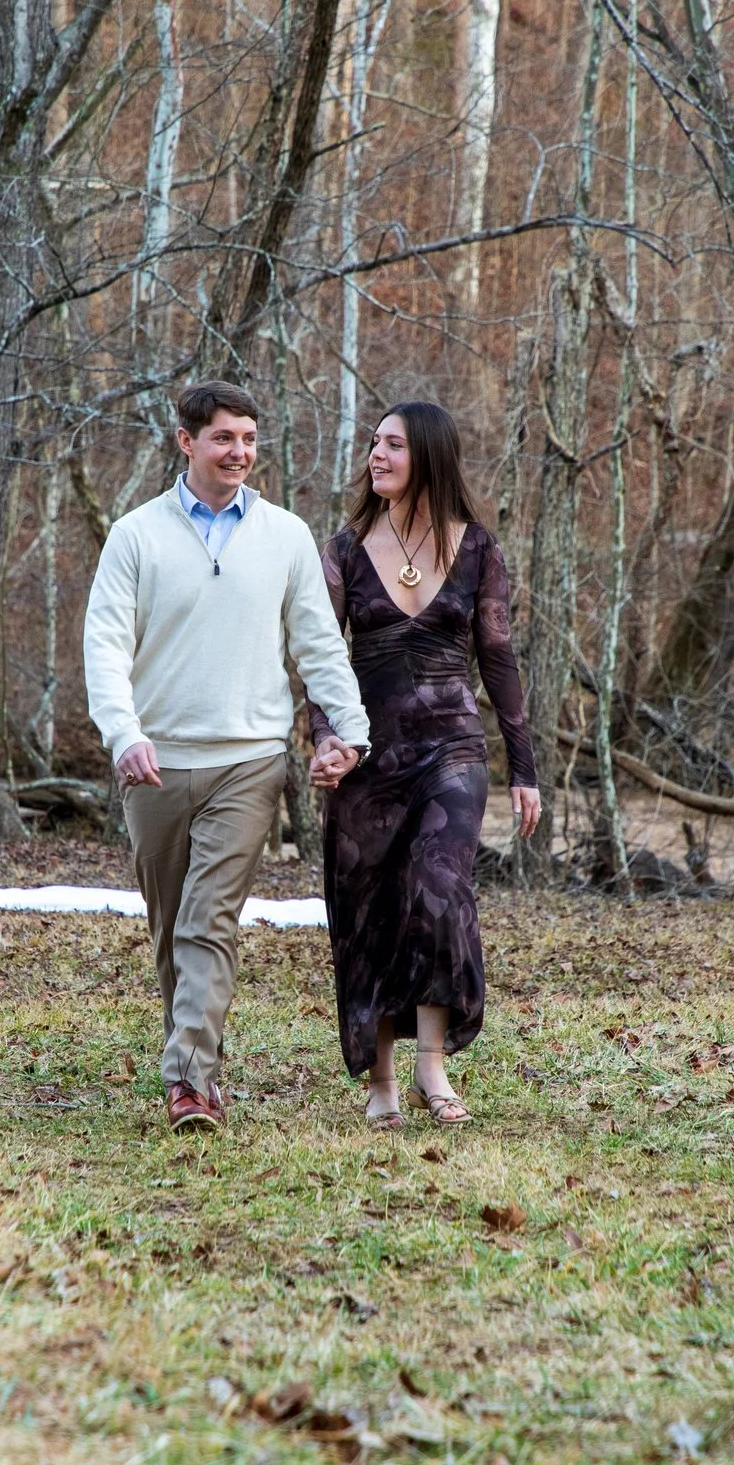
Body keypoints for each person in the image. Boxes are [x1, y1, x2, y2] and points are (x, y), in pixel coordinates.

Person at [84, 381, 373, 1133]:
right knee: (171, 924)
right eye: (223, 438)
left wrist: (350, 729)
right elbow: (106, 648)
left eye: (248, 438)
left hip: (250, 759)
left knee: (209, 920)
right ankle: (194, 1058)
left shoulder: (284, 536)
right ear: (185, 441)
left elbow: (318, 644)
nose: (239, 452)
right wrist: (124, 734)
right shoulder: (135, 536)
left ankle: (190, 1082)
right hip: (154, 763)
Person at [310, 402, 540, 1127]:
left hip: (452, 750)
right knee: (370, 907)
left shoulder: (477, 549)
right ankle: (379, 1079)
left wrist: (523, 766)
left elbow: (498, 659)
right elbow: (319, 660)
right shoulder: (344, 548)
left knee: (441, 890)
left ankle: (431, 1068)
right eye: (374, 442)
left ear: (429, 456)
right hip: (366, 756)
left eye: (393, 444)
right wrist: (325, 739)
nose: (375, 454)